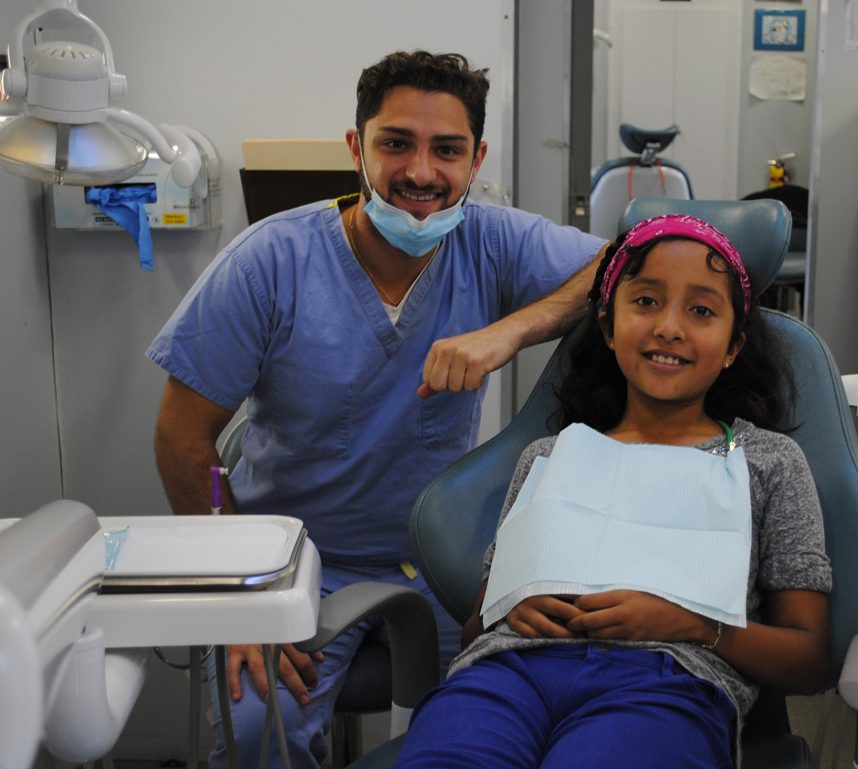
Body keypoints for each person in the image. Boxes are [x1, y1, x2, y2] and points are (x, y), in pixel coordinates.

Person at [146, 50, 605, 769]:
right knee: (258, 725)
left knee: (522, 716)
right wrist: (240, 596)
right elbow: (182, 434)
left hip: (447, 560)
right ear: (357, 146)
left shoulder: (490, 242)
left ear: (475, 158)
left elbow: (636, 260)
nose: (422, 173)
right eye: (396, 143)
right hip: (293, 564)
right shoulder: (272, 261)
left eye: (446, 150)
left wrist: (510, 330)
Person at [391, 214, 832, 769]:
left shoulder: (767, 463)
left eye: (701, 310)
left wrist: (693, 626)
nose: (669, 327)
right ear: (608, 325)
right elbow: (478, 627)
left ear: (732, 347)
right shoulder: (548, 457)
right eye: (645, 301)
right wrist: (515, 608)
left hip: (666, 684)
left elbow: (810, 659)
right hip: (505, 675)